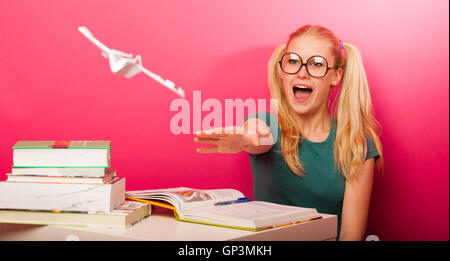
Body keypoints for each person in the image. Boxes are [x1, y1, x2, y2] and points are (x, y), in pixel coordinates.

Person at [194, 25, 383, 241]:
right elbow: (257, 135)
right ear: (283, 70)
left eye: (317, 64)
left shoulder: (357, 142)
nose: (302, 73)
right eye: (293, 61)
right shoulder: (268, 123)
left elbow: (351, 234)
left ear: (335, 76)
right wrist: (245, 138)